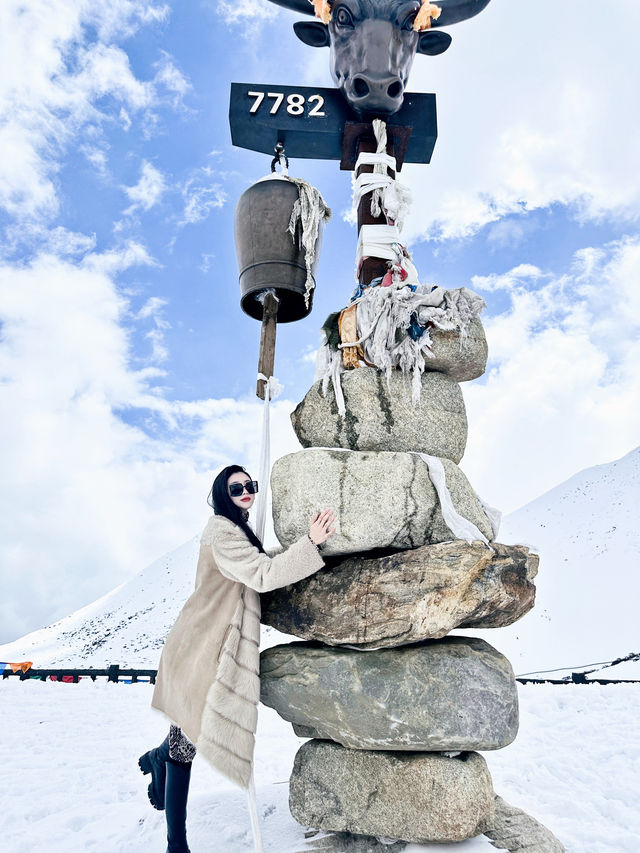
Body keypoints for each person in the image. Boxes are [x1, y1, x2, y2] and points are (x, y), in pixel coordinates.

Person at [139, 464, 335, 853]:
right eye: (235, 488)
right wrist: (309, 544)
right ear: (220, 494)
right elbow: (262, 575)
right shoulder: (221, 532)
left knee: (187, 731)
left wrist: (305, 546)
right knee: (186, 742)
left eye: (250, 485)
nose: (245, 491)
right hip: (199, 648)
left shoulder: (237, 531)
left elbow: (259, 563)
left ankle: (157, 757)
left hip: (209, 643)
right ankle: (175, 843)